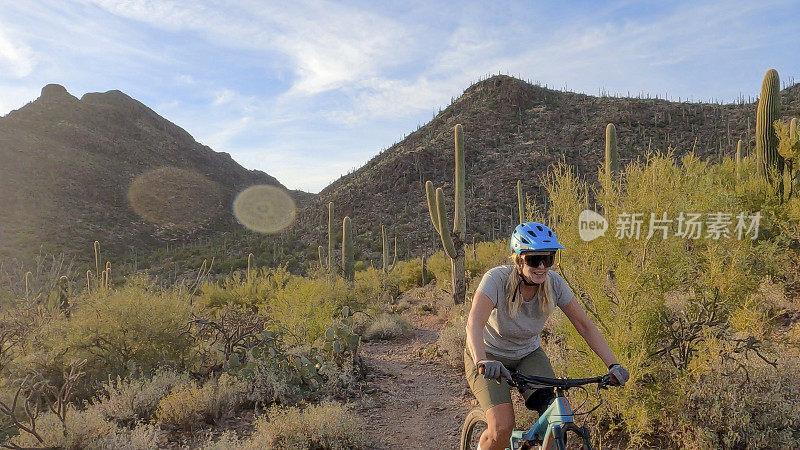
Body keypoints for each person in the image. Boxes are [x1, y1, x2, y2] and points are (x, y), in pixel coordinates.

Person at [464, 222, 629, 450]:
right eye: (534, 260)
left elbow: (584, 325)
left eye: (548, 259)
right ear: (519, 259)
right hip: (489, 354)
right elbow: (474, 322)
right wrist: (482, 360)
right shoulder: (496, 280)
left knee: (557, 420)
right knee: (502, 427)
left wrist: (613, 364)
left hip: (528, 354)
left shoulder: (554, 284)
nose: (542, 266)